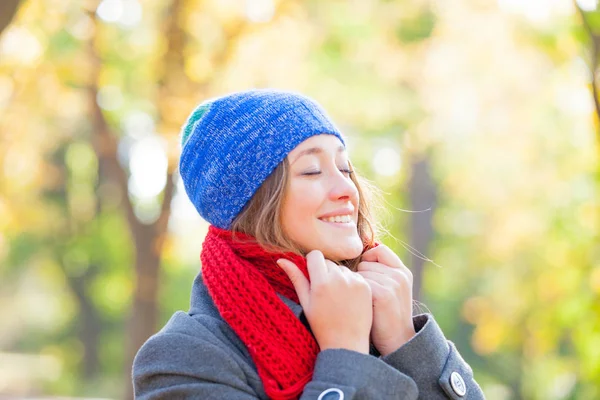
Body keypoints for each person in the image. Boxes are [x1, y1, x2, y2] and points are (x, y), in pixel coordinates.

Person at [132, 89, 485, 399]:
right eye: (312, 171)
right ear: (250, 203)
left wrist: (407, 344)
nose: (347, 189)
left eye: (345, 168)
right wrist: (346, 357)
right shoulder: (181, 359)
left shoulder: (379, 316)